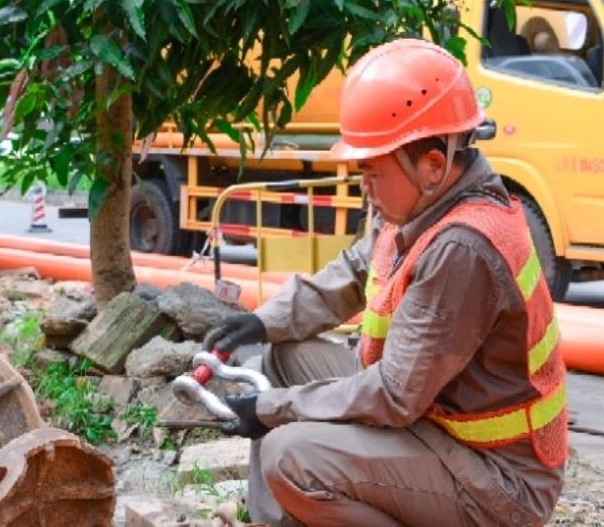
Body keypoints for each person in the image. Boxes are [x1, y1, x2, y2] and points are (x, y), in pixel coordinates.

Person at [203, 39, 568, 526]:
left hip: (494, 479)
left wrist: (270, 408)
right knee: (283, 357)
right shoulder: (419, 204)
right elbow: (354, 271)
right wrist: (260, 323)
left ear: (434, 164)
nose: (362, 186)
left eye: (371, 171)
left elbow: (394, 396)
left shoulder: (462, 248)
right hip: (437, 423)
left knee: (290, 455)